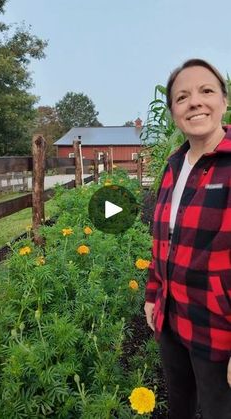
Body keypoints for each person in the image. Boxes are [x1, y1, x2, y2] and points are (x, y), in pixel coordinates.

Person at [144, 58, 231, 419]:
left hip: (218, 330)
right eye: (182, 97)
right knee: (178, 403)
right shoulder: (174, 165)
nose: (194, 102)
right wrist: (152, 296)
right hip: (171, 318)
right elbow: (162, 239)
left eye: (206, 91)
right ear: (173, 112)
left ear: (223, 101)